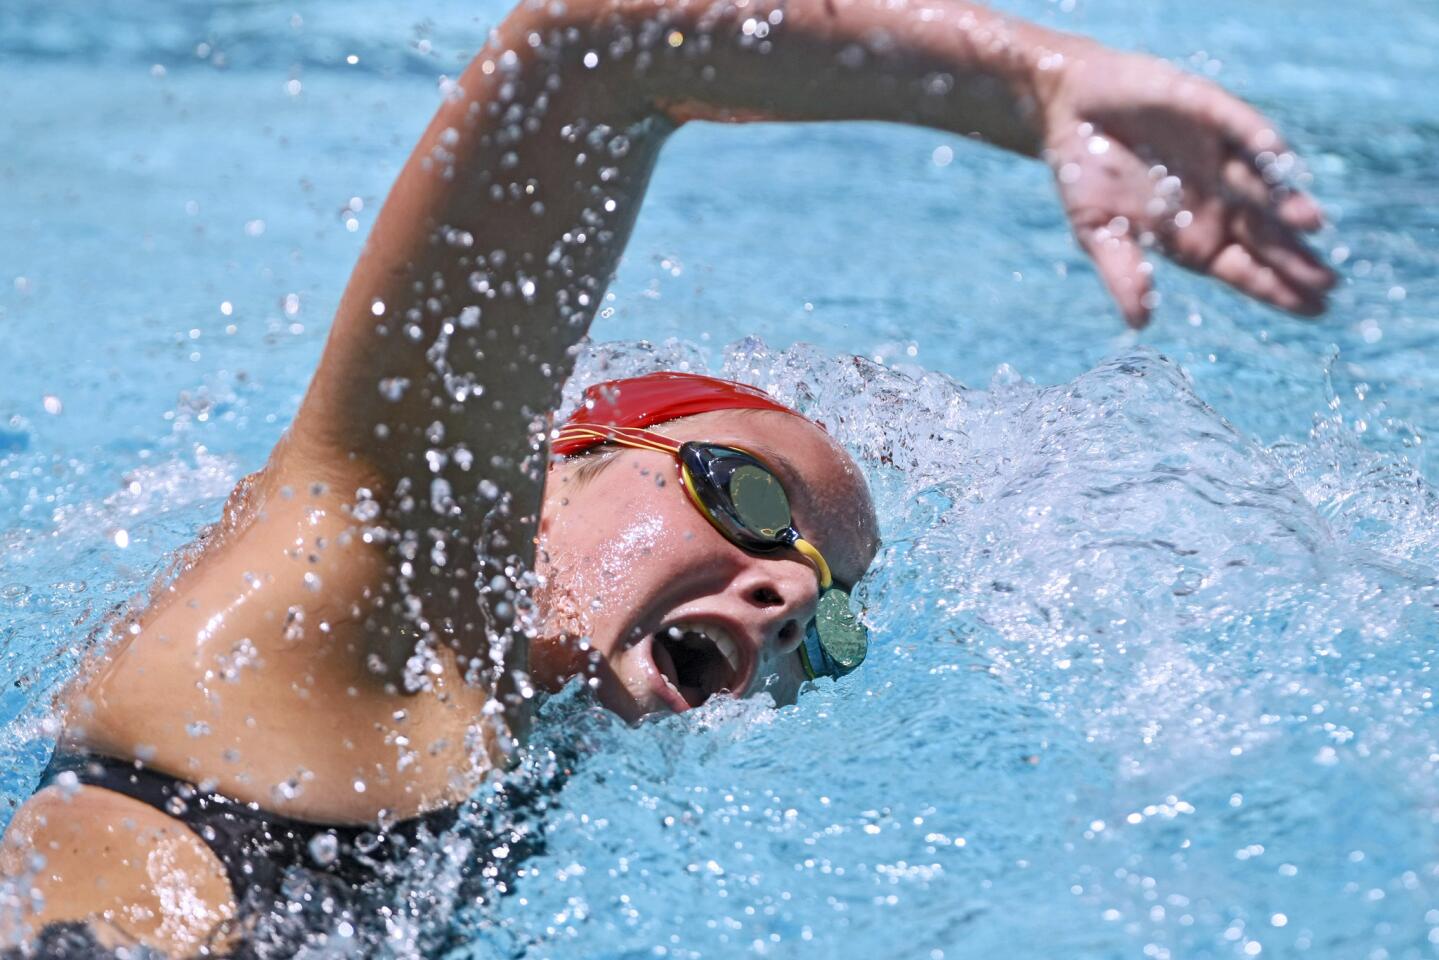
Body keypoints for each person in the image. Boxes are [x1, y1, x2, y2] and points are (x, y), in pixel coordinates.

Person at [0, 0, 1335, 953]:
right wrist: (1033, 81)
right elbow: (595, 52)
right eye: (744, 495)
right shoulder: (356, 588)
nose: (779, 595)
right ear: (559, 465)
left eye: (825, 617)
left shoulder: (496, 761)